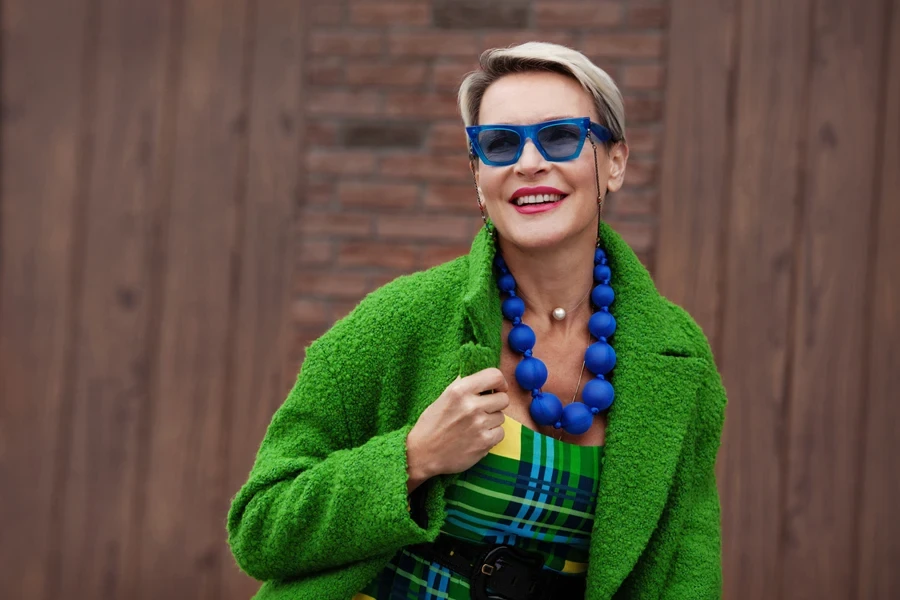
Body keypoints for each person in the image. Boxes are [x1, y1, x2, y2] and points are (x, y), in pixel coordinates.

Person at [227, 42, 726, 600]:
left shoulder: (677, 359)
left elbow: (687, 568)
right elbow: (259, 526)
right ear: (477, 176)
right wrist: (413, 459)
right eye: (499, 144)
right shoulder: (399, 322)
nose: (529, 162)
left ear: (615, 162)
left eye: (560, 136)